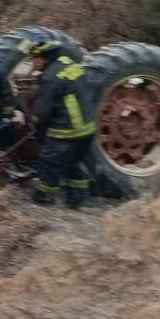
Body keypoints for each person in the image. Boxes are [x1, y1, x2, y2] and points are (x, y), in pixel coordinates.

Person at [29, 38, 97, 208]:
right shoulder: (69, 64)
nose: (33, 63)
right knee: (73, 161)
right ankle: (76, 198)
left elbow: (42, 112)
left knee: (49, 161)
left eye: (35, 58)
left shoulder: (49, 78)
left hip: (67, 130)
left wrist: (34, 123)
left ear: (44, 58)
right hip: (88, 128)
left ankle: (44, 195)